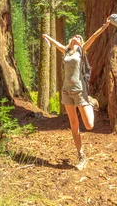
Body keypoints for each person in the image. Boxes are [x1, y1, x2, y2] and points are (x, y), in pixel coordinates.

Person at [42, 17, 112, 170]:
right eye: (76, 36)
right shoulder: (67, 51)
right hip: (67, 91)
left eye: (80, 38)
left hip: (80, 91)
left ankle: (90, 101)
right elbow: (57, 44)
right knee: (74, 124)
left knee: (89, 125)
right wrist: (47, 37)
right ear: (71, 39)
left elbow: (94, 36)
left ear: (81, 43)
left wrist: (104, 26)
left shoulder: (81, 50)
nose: (77, 37)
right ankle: (81, 155)